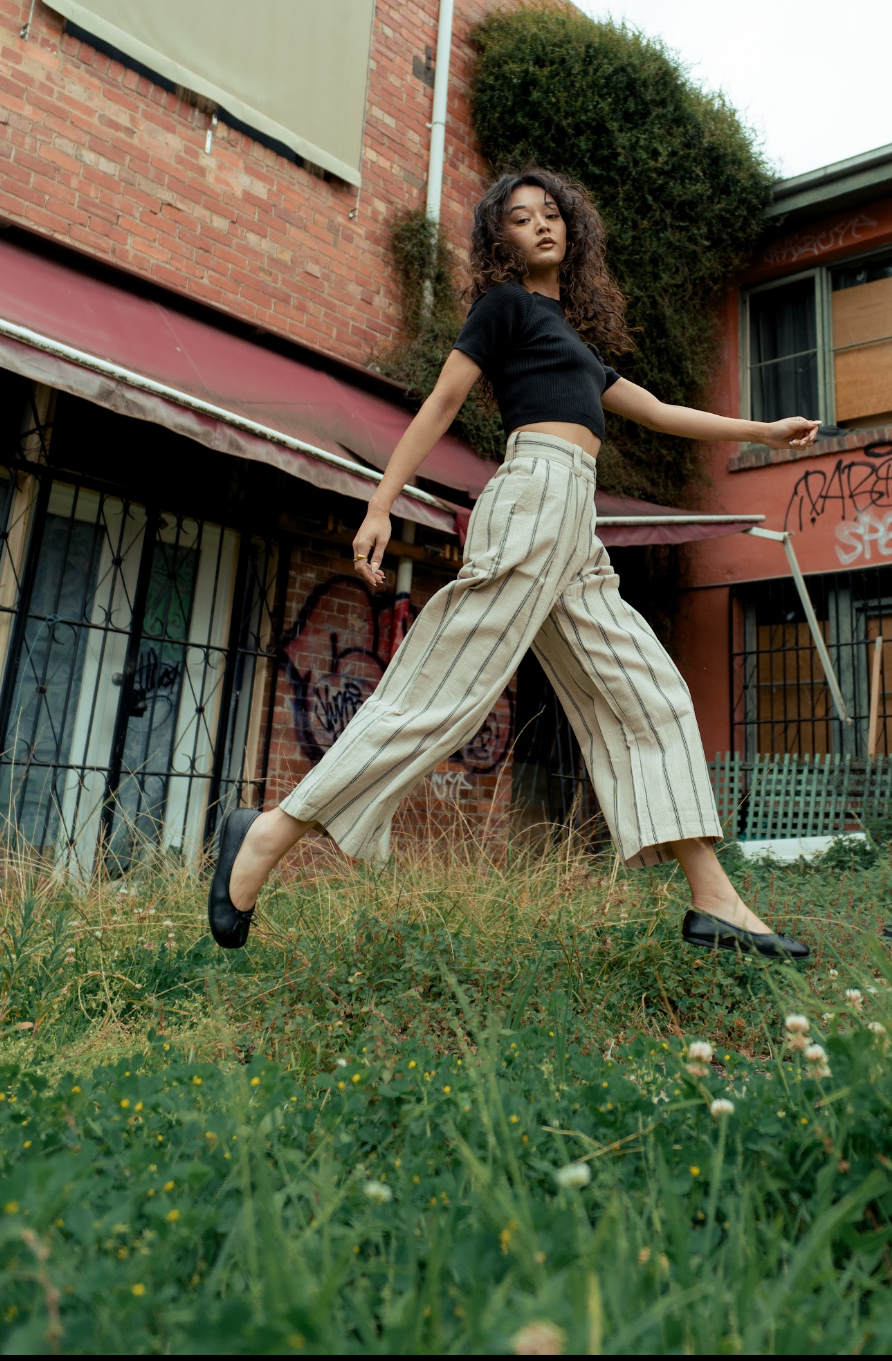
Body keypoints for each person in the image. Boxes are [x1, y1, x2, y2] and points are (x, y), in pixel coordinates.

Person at [209, 170, 820, 955]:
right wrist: (379, 501)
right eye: (520, 217)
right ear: (500, 239)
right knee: (443, 691)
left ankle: (715, 902)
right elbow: (441, 401)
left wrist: (764, 433)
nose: (541, 226)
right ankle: (267, 832)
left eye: (552, 213)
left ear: (572, 230)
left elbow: (662, 413)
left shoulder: (574, 341)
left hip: (575, 520)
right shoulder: (502, 309)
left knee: (649, 693)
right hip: (531, 499)